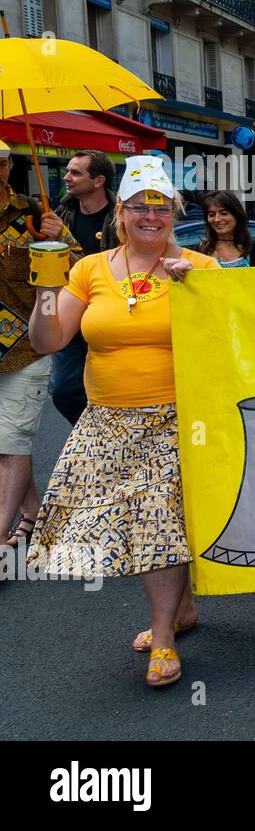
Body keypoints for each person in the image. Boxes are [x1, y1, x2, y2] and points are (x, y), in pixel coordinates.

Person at [25, 155, 219, 686]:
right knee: (123, 526)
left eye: (161, 207)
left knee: (156, 516)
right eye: (139, 207)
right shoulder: (90, 269)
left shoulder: (201, 268)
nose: (150, 217)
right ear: (121, 212)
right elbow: (48, 342)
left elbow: (231, 343)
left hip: (180, 418)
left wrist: (197, 293)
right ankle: (181, 610)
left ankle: (162, 640)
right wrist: (46, 283)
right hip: (106, 421)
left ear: (175, 214)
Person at [1, 140, 83, 549]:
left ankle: (1, 537)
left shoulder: (35, 213)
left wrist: (60, 239)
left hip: (25, 346)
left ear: (6, 169)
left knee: (11, 440)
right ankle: (32, 512)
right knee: (3, 441)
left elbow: (80, 267)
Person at [49, 150, 119, 426]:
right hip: (68, 310)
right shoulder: (61, 213)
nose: (66, 177)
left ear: (99, 180)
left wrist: (62, 245)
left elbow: (111, 271)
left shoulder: (120, 217)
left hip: (106, 314)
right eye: (68, 170)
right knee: (64, 390)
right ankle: (94, 433)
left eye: (76, 172)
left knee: (109, 386)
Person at [197, 190, 255, 267]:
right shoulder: (201, 251)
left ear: (237, 215)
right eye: (212, 214)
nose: (217, 219)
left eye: (224, 213)